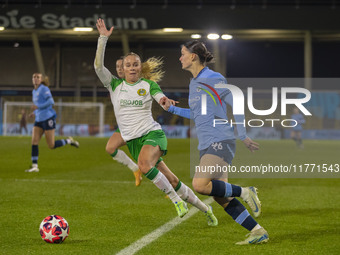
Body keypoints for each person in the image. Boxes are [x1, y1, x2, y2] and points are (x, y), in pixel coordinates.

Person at [94, 18, 218, 223]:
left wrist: (164, 101)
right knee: (173, 180)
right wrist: (102, 39)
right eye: (128, 65)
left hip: (152, 134)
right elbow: (99, 67)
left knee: (143, 165)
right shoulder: (114, 85)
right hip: (133, 141)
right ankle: (206, 210)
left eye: (136, 64)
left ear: (140, 67)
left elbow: (159, 97)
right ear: (122, 69)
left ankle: (176, 201)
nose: (132, 67)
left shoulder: (148, 84)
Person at [161, 40, 269, 244]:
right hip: (207, 143)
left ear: (193, 56)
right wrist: (171, 109)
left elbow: (236, 103)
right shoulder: (194, 83)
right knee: (222, 197)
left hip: (221, 138)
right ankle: (258, 231)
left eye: (182, 53)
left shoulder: (214, 78)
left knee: (200, 184)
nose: (180, 57)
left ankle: (247, 191)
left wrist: (243, 134)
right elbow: (196, 113)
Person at [25, 73, 79, 173]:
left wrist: (38, 107)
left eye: (38, 77)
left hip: (48, 118)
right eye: (34, 77)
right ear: (32, 79)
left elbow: (51, 102)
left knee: (51, 145)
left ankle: (68, 141)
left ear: (41, 80)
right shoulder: (34, 91)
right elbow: (39, 106)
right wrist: (35, 112)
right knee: (34, 142)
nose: (36, 79)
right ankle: (35, 166)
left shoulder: (44, 89)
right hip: (39, 120)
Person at [105, 57, 143, 186]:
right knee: (110, 148)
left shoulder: (136, 83)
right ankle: (135, 169)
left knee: (150, 161)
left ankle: (173, 186)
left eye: (122, 66)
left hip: (139, 127)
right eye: (117, 66)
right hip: (124, 127)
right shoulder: (115, 83)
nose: (120, 69)